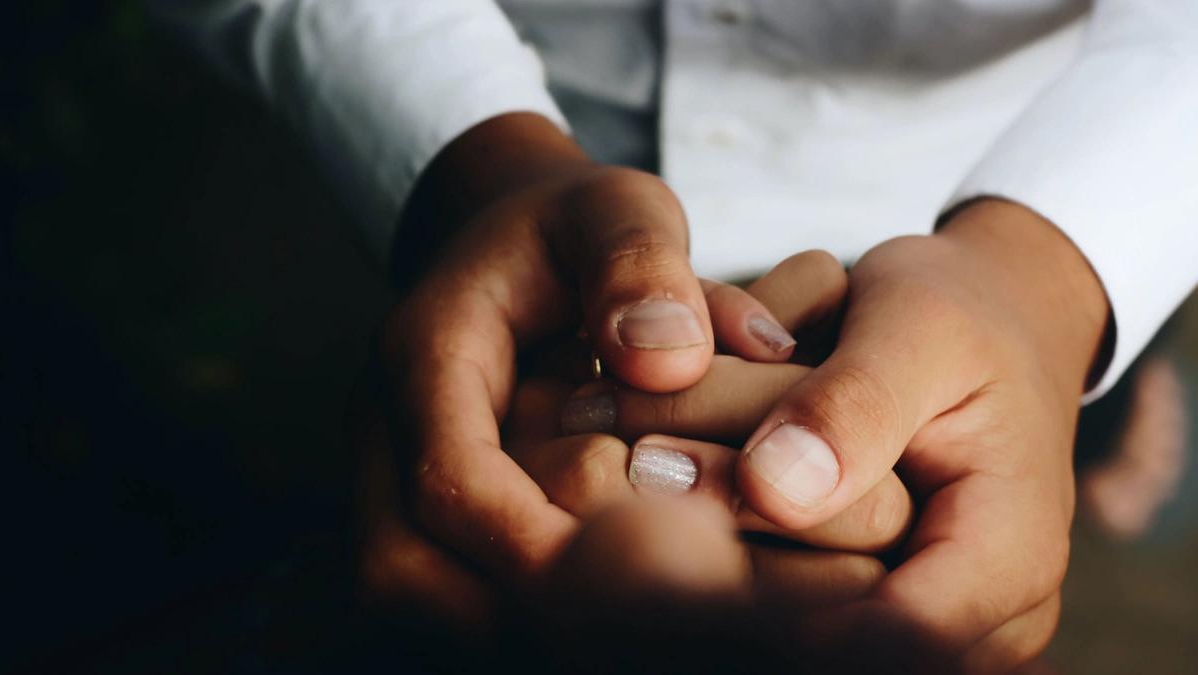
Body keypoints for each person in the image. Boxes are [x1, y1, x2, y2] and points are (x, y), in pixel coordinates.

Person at [153, 0, 1198, 670]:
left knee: (1045, 409)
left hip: (1002, 163)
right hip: (522, 123)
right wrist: (477, 164)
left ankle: (1101, 416)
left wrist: (1058, 269)